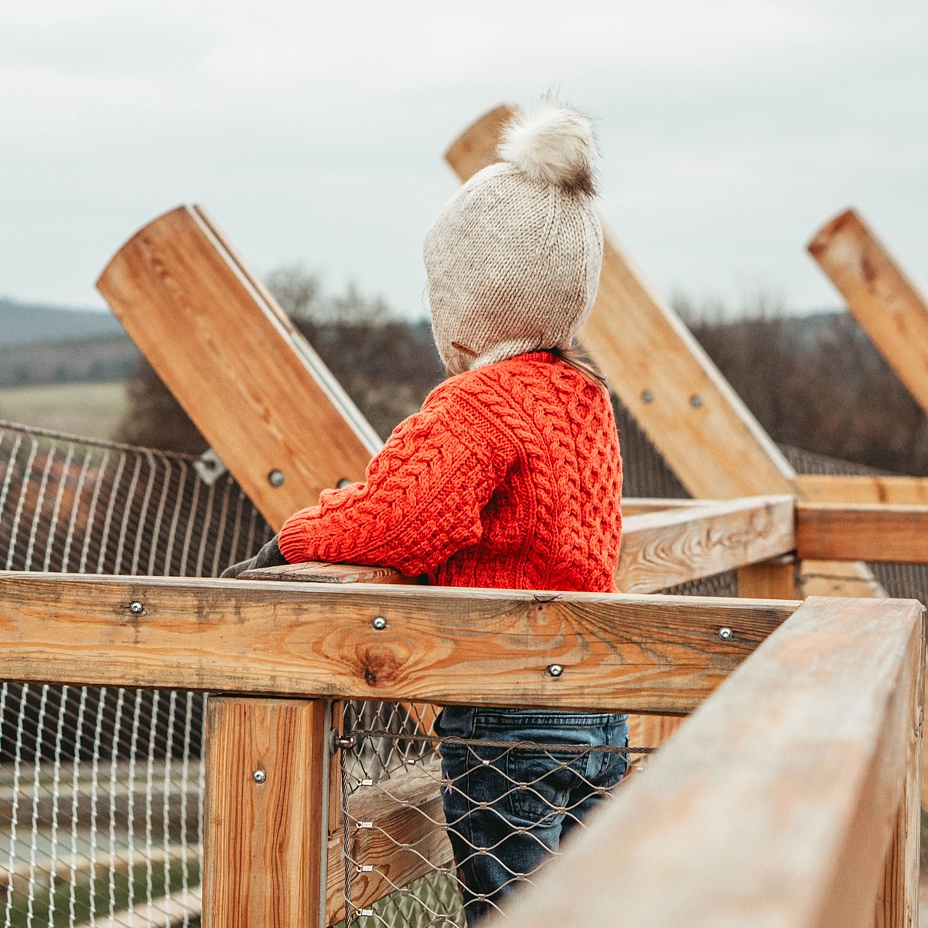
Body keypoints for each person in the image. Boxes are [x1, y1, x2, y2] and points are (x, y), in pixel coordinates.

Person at [223, 98, 627, 924]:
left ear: (470, 303)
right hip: (595, 703)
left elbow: (393, 519)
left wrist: (299, 536)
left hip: (504, 712)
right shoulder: (585, 399)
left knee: (511, 910)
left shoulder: (477, 405)